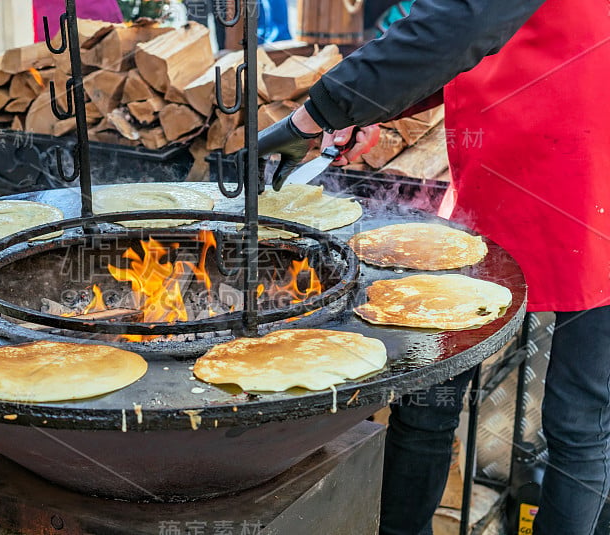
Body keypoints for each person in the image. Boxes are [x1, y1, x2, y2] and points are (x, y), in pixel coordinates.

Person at [258, 0, 610, 532]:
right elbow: (466, 34)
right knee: (443, 399)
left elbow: (461, 22)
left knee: (576, 420)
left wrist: (320, 113)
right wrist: (365, 108)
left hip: (588, 179)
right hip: (502, 176)